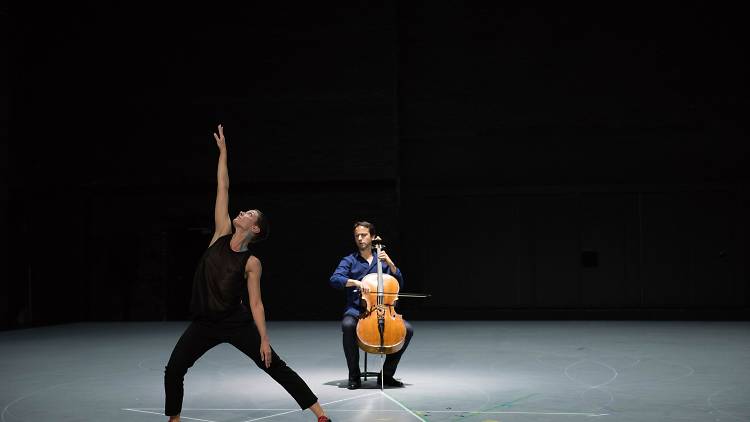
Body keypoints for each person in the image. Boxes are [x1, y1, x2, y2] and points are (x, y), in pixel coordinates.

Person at [163, 125, 331, 422]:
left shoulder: (251, 262)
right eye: (244, 211)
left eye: (249, 214)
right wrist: (224, 152)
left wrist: (264, 338)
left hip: (235, 322)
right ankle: (174, 419)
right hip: (204, 323)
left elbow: (256, 304)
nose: (241, 213)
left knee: (273, 364)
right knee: (175, 369)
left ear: (255, 229)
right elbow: (223, 186)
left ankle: (320, 414)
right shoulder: (220, 234)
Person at [329, 221, 414, 389]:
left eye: (364, 235)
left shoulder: (382, 261)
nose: (360, 239)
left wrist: (390, 264)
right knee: (347, 325)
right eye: (357, 236)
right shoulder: (349, 260)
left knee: (408, 330)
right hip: (356, 310)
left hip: (383, 309)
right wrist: (355, 282)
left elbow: (399, 284)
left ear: (373, 237)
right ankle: (354, 376)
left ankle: (387, 375)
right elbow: (335, 279)